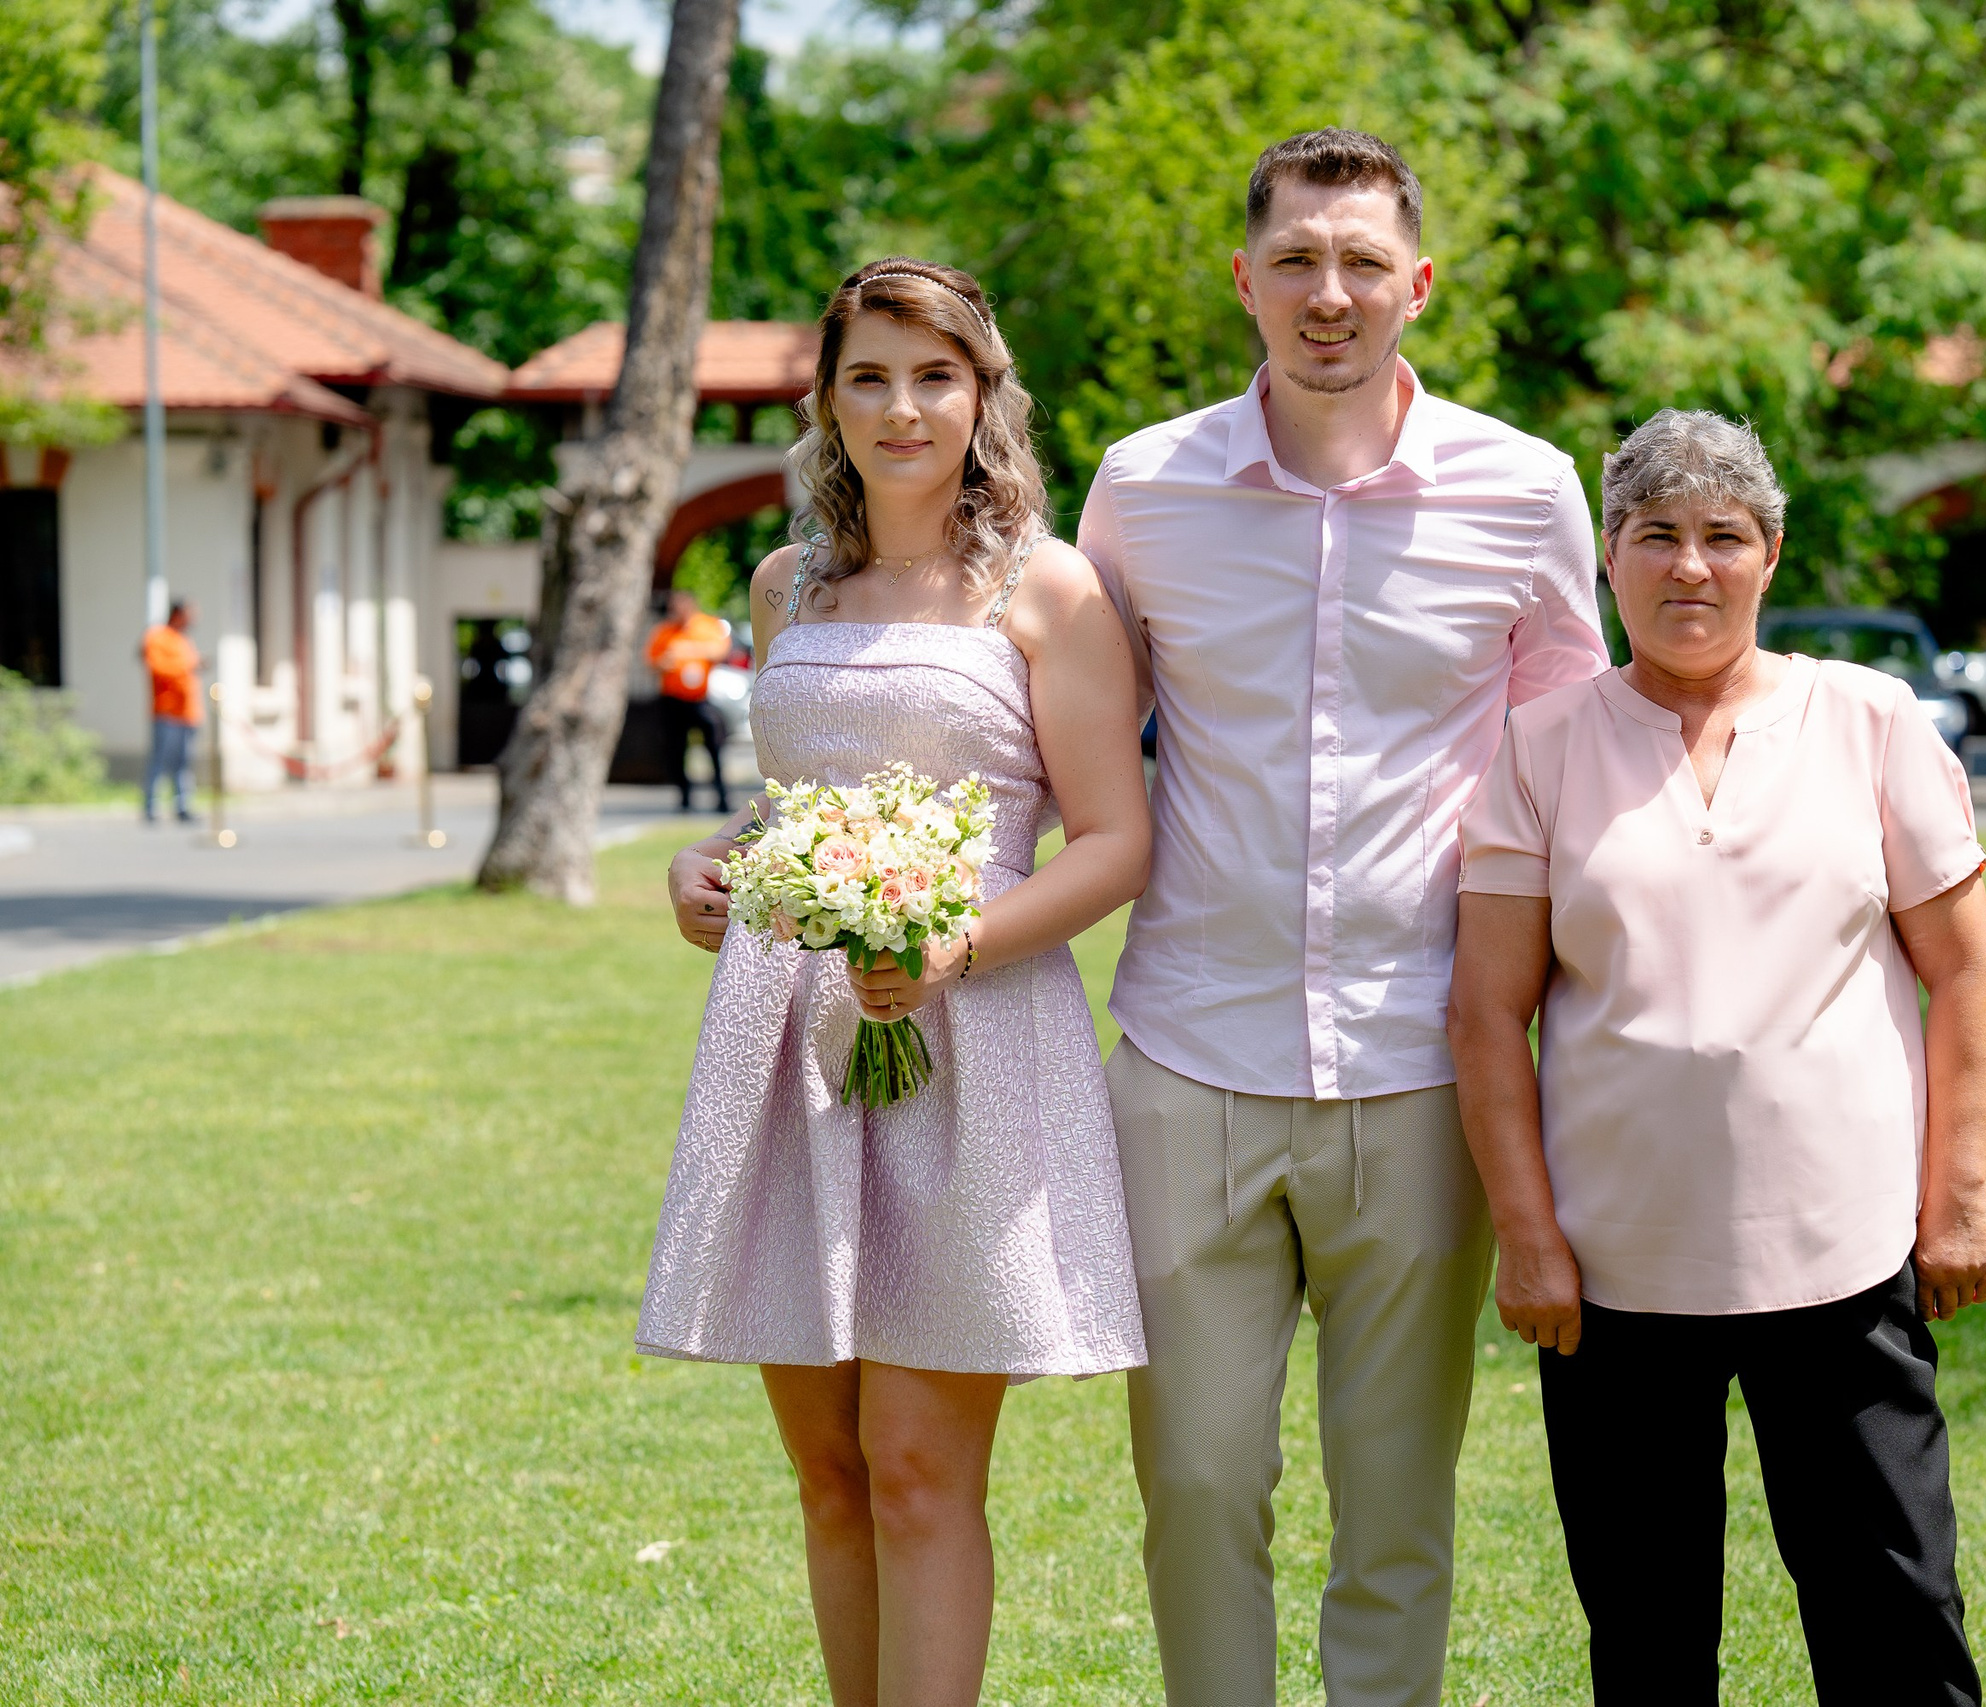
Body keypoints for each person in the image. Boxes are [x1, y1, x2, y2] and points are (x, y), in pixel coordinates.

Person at [1074, 129, 1610, 1707]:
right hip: (1187, 1056)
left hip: (1425, 1067)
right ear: (1245, 278)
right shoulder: (1141, 488)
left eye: (1363, 262)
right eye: (1297, 260)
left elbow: (1582, 779)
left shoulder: (1528, 493)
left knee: (1398, 1510)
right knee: (1193, 1488)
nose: (1330, 293)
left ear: (1418, 285)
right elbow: (1061, 746)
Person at [644, 258, 1151, 1707]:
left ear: (983, 391)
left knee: (922, 1470)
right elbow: (788, 808)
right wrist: (710, 866)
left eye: (934, 373)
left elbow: (1117, 840)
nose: (901, 405)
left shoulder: (1047, 589)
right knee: (829, 1471)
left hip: (977, 1038)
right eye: (868, 375)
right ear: (828, 399)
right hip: (794, 1039)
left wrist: (955, 946)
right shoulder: (781, 582)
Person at [1448, 410, 1986, 1704]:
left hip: (1846, 1251)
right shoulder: (1540, 748)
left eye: (1722, 537)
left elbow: (1967, 969)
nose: (1689, 566)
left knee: (1895, 1612)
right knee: (1646, 1639)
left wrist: (1959, 1196)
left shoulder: (1869, 720)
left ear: (1769, 554)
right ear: (1610, 558)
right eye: (1657, 535)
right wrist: (1527, 1234)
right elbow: (1487, 1012)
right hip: (1617, 1268)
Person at [646, 586, 735, 814]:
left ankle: (721, 796)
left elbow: (720, 651)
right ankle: (684, 797)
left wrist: (690, 650)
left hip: (699, 698)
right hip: (672, 699)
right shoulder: (664, 632)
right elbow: (651, 662)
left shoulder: (706, 626)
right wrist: (666, 661)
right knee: (676, 750)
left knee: (713, 746)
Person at [140, 600, 203, 824]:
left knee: (183, 762)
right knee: (160, 760)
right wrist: (185, 667)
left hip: (187, 712)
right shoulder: (157, 637)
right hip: (166, 711)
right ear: (178, 614)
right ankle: (151, 806)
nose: (193, 620)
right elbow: (157, 668)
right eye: (190, 614)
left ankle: (183, 806)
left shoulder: (184, 640)